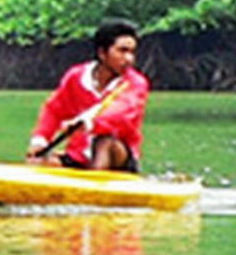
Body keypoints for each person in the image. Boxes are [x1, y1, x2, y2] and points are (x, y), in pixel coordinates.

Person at [27, 19, 151, 171]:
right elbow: (54, 110)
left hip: (117, 156)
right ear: (102, 53)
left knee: (104, 143)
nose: (129, 59)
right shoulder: (76, 76)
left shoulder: (136, 83)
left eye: (132, 52)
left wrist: (89, 123)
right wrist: (40, 139)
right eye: (122, 51)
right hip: (79, 156)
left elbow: (122, 113)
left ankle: (94, 188)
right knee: (40, 163)